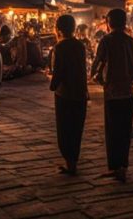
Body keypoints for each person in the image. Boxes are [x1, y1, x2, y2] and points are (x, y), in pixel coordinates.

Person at [90, 8, 133, 182]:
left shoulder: (106, 40)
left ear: (109, 23)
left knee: (112, 130)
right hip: (128, 91)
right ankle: (123, 166)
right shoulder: (132, 42)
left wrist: (93, 75)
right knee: (125, 131)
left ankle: (114, 166)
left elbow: (97, 63)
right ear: (124, 22)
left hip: (112, 92)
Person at [50, 14, 88, 176]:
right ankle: (73, 161)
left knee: (65, 128)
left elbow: (58, 71)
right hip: (80, 92)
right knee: (76, 128)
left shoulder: (59, 48)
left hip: (64, 93)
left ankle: (69, 163)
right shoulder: (80, 46)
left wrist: (52, 84)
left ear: (58, 29)